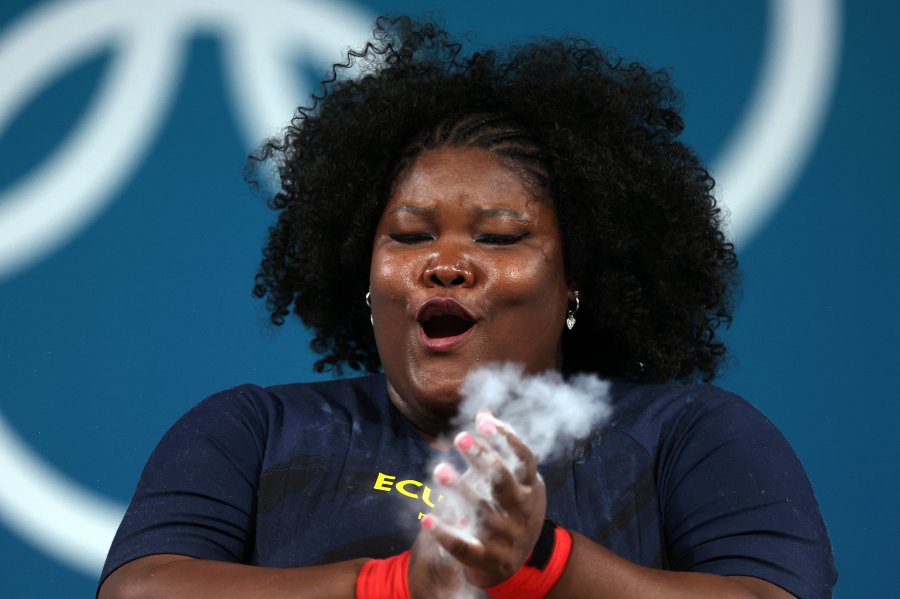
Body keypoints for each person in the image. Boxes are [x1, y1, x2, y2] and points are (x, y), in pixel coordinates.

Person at [97, 16, 836, 599]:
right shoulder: (254, 430)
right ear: (366, 271)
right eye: (410, 236)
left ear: (575, 277)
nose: (444, 263)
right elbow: (139, 589)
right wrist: (394, 584)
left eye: (500, 236)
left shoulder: (688, 435)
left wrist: (539, 563)